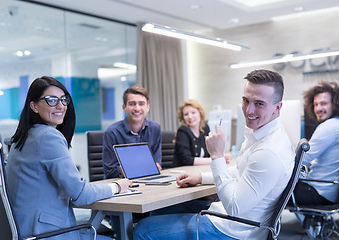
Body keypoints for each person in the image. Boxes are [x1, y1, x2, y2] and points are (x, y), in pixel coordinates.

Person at [134, 69, 295, 240]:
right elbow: (241, 172)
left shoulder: (268, 151)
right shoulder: (265, 135)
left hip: (233, 229)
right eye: (245, 100)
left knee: (143, 229)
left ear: (278, 107)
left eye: (259, 103)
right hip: (235, 219)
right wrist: (201, 178)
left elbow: (234, 207)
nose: (249, 110)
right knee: (159, 210)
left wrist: (217, 156)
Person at [5, 76, 132, 240]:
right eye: (51, 100)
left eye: (63, 100)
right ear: (34, 106)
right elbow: (81, 195)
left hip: (24, 230)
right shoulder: (48, 137)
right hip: (47, 233)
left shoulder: (22, 138)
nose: (61, 106)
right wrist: (116, 186)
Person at [293, 81, 339, 205]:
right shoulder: (336, 124)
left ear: (335, 104)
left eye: (323, 104)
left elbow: (301, 159)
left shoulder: (329, 127)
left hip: (319, 191)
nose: (318, 109)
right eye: (315, 104)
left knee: (272, 191)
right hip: (330, 191)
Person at [102, 85, 162, 179]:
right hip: (121, 184)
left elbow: (156, 163)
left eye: (141, 104)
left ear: (148, 107)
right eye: (132, 104)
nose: (137, 108)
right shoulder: (112, 132)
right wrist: (122, 170)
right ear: (124, 107)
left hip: (149, 181)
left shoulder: (155, 128)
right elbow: (109, 171)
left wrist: (154, 166)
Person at [173, 99, 211, 167]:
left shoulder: (205, 128)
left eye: (193, 112)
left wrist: (220, 156)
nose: (190, 117)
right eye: (186, 114)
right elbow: (187, 160)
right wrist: (213, 160)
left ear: (200, 113)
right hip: (183, 173)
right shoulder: (182, 131)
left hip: (200, 170)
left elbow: (210, 152)